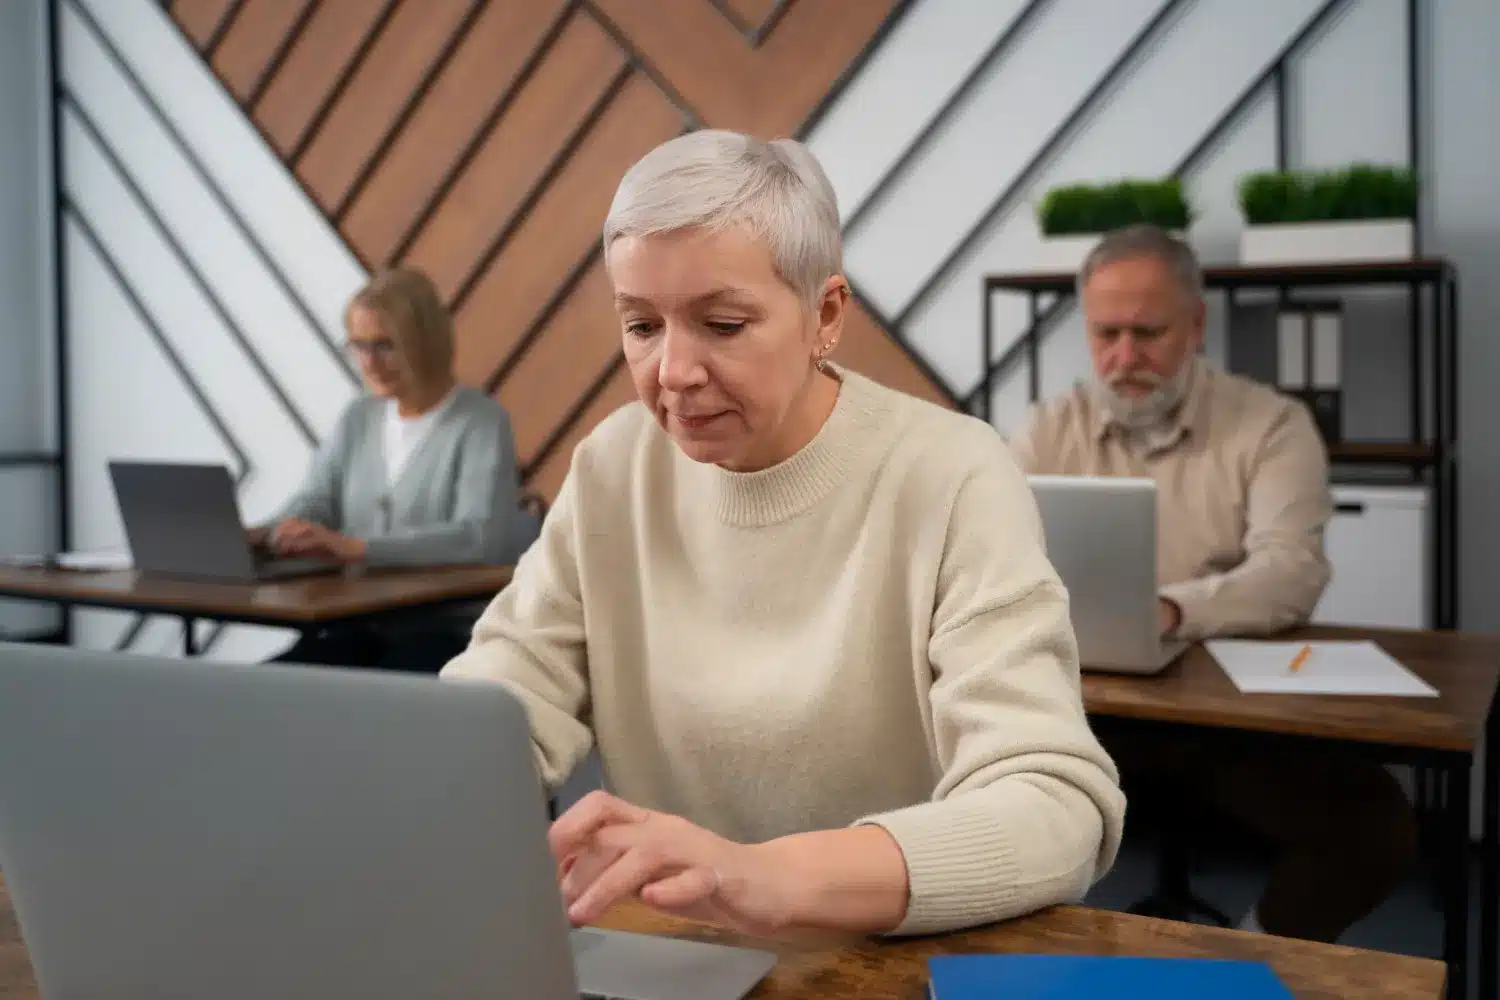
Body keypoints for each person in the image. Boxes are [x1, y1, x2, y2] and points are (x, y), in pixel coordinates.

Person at [440, 130, 1124, 939]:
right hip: (673, 958)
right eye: (641, 325)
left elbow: (1056, 806)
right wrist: (417, 781)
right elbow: (505, 689)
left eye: (722, 324)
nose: (673, 372)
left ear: (824, 314)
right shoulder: (614, 466)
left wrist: (764, 876)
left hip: (880, 960)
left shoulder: (952, 472)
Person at [1007, 224, 1417, 943]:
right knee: (956, 784)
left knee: (1374, 825)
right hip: (1080, 704)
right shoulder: (1047, 428)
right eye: (1106, 334)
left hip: (1225, 719)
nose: (1124, 357)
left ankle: (1252, 958)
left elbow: (1291, 570)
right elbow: (991, 553)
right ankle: (1031, 965)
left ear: (1196, 325)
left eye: (1148, 333)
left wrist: (1169, 609)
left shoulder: (1272, 425)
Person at [257, 266, 528, 673]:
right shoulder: (358, 417)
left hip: (443, 633)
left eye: (385, 345)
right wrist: (266, 533)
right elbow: (316, 501)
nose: (369, 362)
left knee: (367, 694)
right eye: (358, 346)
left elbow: (479, 538)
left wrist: (357, 549)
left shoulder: (481, 422)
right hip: (354, 624)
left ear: (427, 343)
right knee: (265, 686)